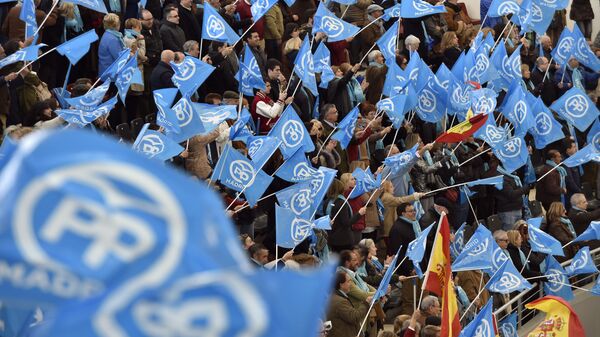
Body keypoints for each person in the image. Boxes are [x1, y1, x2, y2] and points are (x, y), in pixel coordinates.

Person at [326, 272, 370, 337]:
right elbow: (354, 317)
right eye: (348, 281)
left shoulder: (335, 297)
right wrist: (365, 303)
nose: (350, 284)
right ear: (341, 284)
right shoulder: (340, 301)